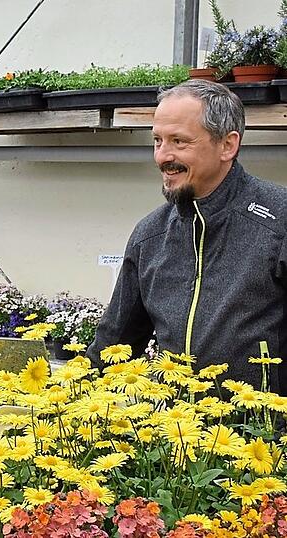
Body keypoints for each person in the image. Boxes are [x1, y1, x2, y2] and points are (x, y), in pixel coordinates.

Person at [88, 79, 286, 393]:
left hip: (264, 434)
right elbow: (113, 346)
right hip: (177, 434)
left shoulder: (279, 221)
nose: (162, 157)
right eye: (157, 141)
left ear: (227, 145)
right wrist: (68, 406)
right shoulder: (149, 236)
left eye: (179, 141)